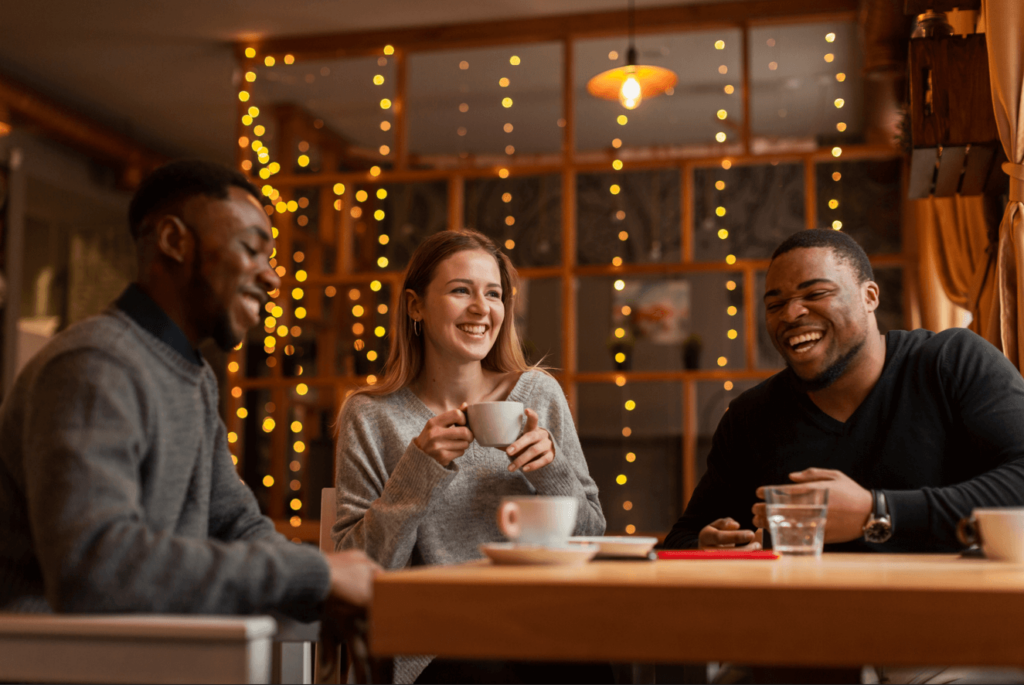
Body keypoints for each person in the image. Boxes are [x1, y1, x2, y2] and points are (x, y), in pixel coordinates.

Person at [0, 160, 379, 621]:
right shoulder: (96, 364)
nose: (273, 278)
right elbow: (96, 568)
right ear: (174, 241)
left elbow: (234, 523)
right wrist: (313, 574)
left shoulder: (192, 375)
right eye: (251, 249)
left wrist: (322, 587)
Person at [663, 228, 1024, 685]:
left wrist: (878, 512)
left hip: (951, 638)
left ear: (869, 295)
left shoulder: (951, 361)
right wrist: (706, 546)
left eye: (815, 293)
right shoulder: (751, 418)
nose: (792, 313)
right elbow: (679, 540)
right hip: (801, 650)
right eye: (775, 305)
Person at [333, 229, 607, 684]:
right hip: (432, 651)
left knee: (589, 664)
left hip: (540, 628)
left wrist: (552, 471)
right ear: (415, 306)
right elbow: (355, 568)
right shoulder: (371, 415)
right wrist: (417, 471)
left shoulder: (539, 394)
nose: (482, 308)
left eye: (494, 294)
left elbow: (591, 533)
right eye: (461, 290)